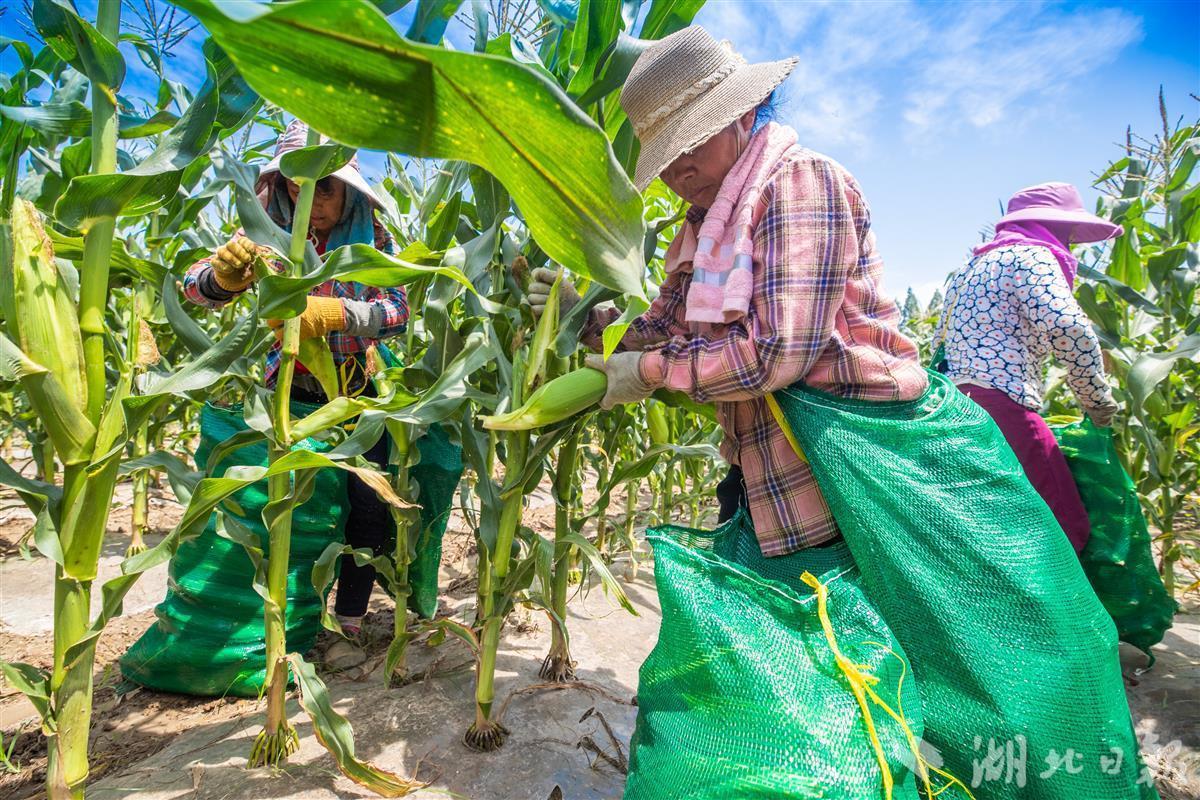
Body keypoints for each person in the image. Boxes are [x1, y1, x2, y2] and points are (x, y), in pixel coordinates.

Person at [529, 26, 927, 557]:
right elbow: (658, 330)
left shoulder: (799, 182)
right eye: (664, 156)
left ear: (744, 112)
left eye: (691, 141)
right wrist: (577, 313)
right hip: (765, 466)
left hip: (847, 464)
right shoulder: (707, 223)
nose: (677, 170)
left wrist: (647, 373)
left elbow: (775, 352)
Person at [184, 120, 408, 667]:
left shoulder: (375, 237)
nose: (312, 198)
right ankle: (278, 625)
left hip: (353, 391)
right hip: (281, 394)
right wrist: (224, 279)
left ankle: (350, 618)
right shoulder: (263, 232)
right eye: (297, 183)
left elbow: (398, 312)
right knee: (278, 509)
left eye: (325, 186)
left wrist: (337, 314)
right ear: (280, 184)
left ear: (348, 189)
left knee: (368, 505)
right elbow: (194, 288)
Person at [932, 182, 1122, 552]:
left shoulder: (971, 267)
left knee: (995, 521)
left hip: (956, 407)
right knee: (1063, 521)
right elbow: (1068, 328)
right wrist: (1096, 399)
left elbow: (941, 340)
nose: (1069, 244)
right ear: (1050, 228)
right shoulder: (1032, 257)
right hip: (1003, 404)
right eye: (1066, 233)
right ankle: (1060, 609)